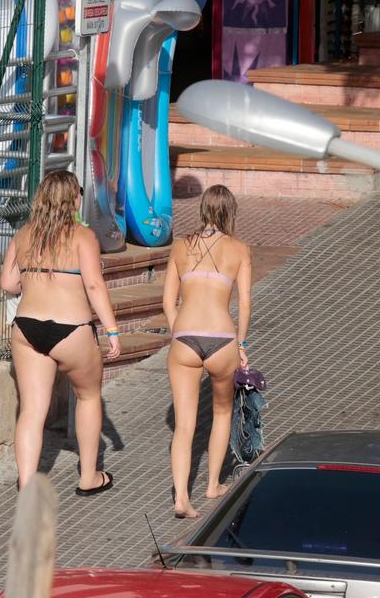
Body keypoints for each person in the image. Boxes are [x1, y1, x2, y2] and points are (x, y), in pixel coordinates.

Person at [0, 170, 121, 494]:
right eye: (79, 191)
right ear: (73, 198)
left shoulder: (24, 234)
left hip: (27, 329)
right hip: (71, 330)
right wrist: (112, 331)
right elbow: (94, 285)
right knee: (89, 395)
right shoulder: (83, 236)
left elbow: (8, 284)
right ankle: (89, 478)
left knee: (32, 410)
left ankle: (26, 483)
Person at [162, 185, 252, 519]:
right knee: (222, 412)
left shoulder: (180, 247)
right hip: (221, 338)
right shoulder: (239, 250)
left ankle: (181, 498)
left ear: (201, 210)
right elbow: (244, 303)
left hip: (185, 338)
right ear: (231, 212)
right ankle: (213, 483)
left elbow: (167, 301)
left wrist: (178, 332)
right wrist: (241, 345)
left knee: (184, 425)